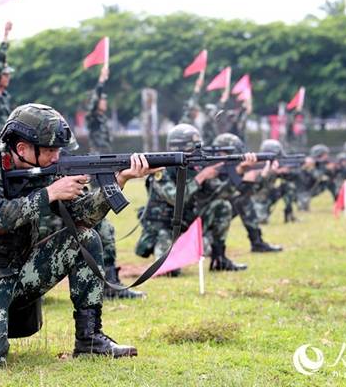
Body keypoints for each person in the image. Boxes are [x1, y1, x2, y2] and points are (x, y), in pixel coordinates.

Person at [0, 104, 153, 367]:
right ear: (22, 149)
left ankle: (89, 339)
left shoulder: (46, 171)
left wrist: (119, 181)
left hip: (21, 272)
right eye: (51, 149)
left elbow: (81, 217)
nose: (57, 156)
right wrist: (50, 193)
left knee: (84, 238)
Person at [135, 124, 255, 273]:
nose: (197, 153)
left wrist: (239, 171)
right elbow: (175, 198)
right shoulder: (161, 170)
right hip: (165, 229)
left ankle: (220, 259)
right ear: (180, 148)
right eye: (193, 149)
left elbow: (220, 194)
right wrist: (202, 177)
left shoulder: (196, 168)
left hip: (187, 224)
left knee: (222, 206)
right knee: (170, 272)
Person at [84, 65, 144, 299]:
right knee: (103, 224)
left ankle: (110, 279)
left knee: (103, 222)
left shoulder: (103, 120)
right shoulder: (93, 119)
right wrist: (101, 81)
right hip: (96, 167)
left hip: (104, 164)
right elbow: (93, 104)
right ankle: (109, 282)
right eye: (102, 100)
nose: (104, 104)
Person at [211, 133, 282, 253]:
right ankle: (217, 252)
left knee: (243, 200)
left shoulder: (224, 169)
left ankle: (257, 242)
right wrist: (239, 171)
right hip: (200, 227)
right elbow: (221, 193)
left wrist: (264, 174)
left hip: (210, 220)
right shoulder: (211, 169)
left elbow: (244, 192)